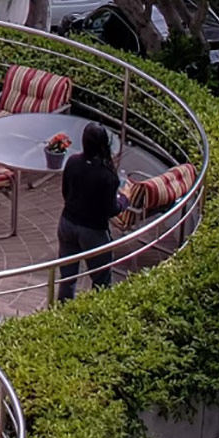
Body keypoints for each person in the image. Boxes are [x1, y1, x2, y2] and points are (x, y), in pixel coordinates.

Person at [55, 122, 124, 303]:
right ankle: (97, 319)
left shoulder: (72, 162)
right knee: (101, 280)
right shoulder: (107, 175)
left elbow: (65, 192)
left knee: (67, 277)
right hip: (93, 231)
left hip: (67, 223)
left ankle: (62, 315)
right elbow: (111, 210)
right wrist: (125, 200)